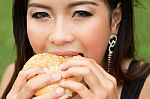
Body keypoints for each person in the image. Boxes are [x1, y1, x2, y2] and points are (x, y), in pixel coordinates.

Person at [0, 0, 150, 99]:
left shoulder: (145, 87)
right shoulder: (14, 77)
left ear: (115, 20)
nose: (59, 37)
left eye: (81, 13)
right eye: (41, 14)